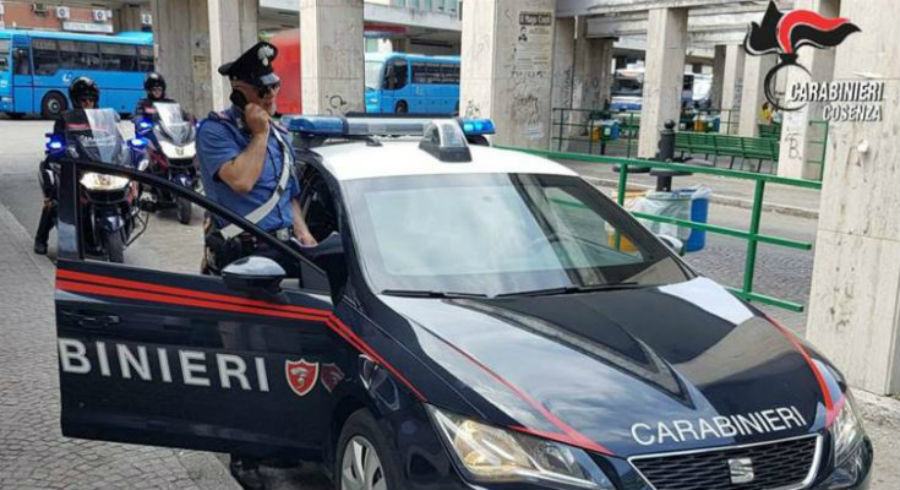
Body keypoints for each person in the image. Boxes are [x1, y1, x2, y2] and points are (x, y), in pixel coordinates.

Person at [196, 41, 318, 488]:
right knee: (244, 360)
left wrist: (304, 233)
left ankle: (282, 439)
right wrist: (258, 133)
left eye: (274, 89)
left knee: (284, 355)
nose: (270, 99)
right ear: (239, 91)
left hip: (282, 253)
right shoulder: (215, 132)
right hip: (241, 258)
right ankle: (244, 453)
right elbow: (243, 181)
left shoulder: (281, 132)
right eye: (261, 92)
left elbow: (289, 194)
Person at [34, 77, 99, 255]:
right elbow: (56, 142)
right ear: (76, 100)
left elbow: (110, 139)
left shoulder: (99, 120)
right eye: (84, 100)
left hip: (91, 166)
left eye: (90, 99)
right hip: (68, 165)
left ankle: (91, 240)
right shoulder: (64, 119)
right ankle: (41, 239)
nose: (88, 103)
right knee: (54, 199)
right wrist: (58, 149)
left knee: (93, 198)